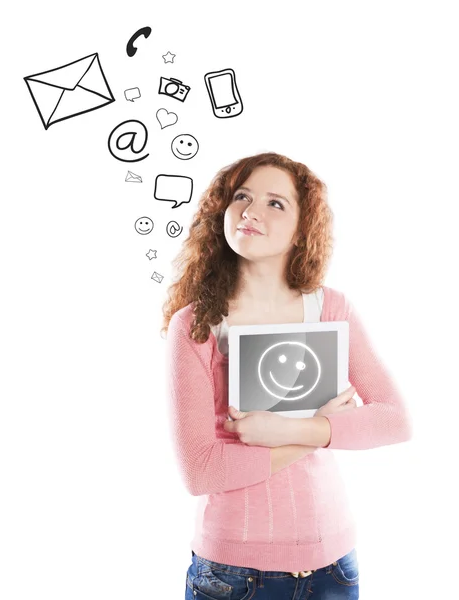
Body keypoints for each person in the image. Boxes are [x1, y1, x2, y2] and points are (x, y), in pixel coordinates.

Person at [161, 151, 412, 599]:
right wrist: (314, 433)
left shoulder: (330, 310)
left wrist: (284, 430)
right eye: (242, 196)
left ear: (301, 231)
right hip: (233, 573)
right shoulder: (196, 325)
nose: (252, 211)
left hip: (333, 566)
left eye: (276, 203)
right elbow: (199, 471)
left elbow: (394, 419)